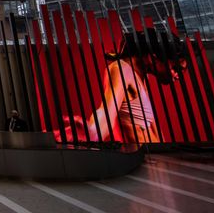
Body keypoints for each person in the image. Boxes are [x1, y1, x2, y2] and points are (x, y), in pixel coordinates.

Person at [59, 28, 187, 145]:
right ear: (153, 57)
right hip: (145, 159)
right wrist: (92, 132)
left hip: (157, 158)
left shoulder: (140, 77)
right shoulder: (121, 70)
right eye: (175, 68)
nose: (177, 76)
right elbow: (106, 112)